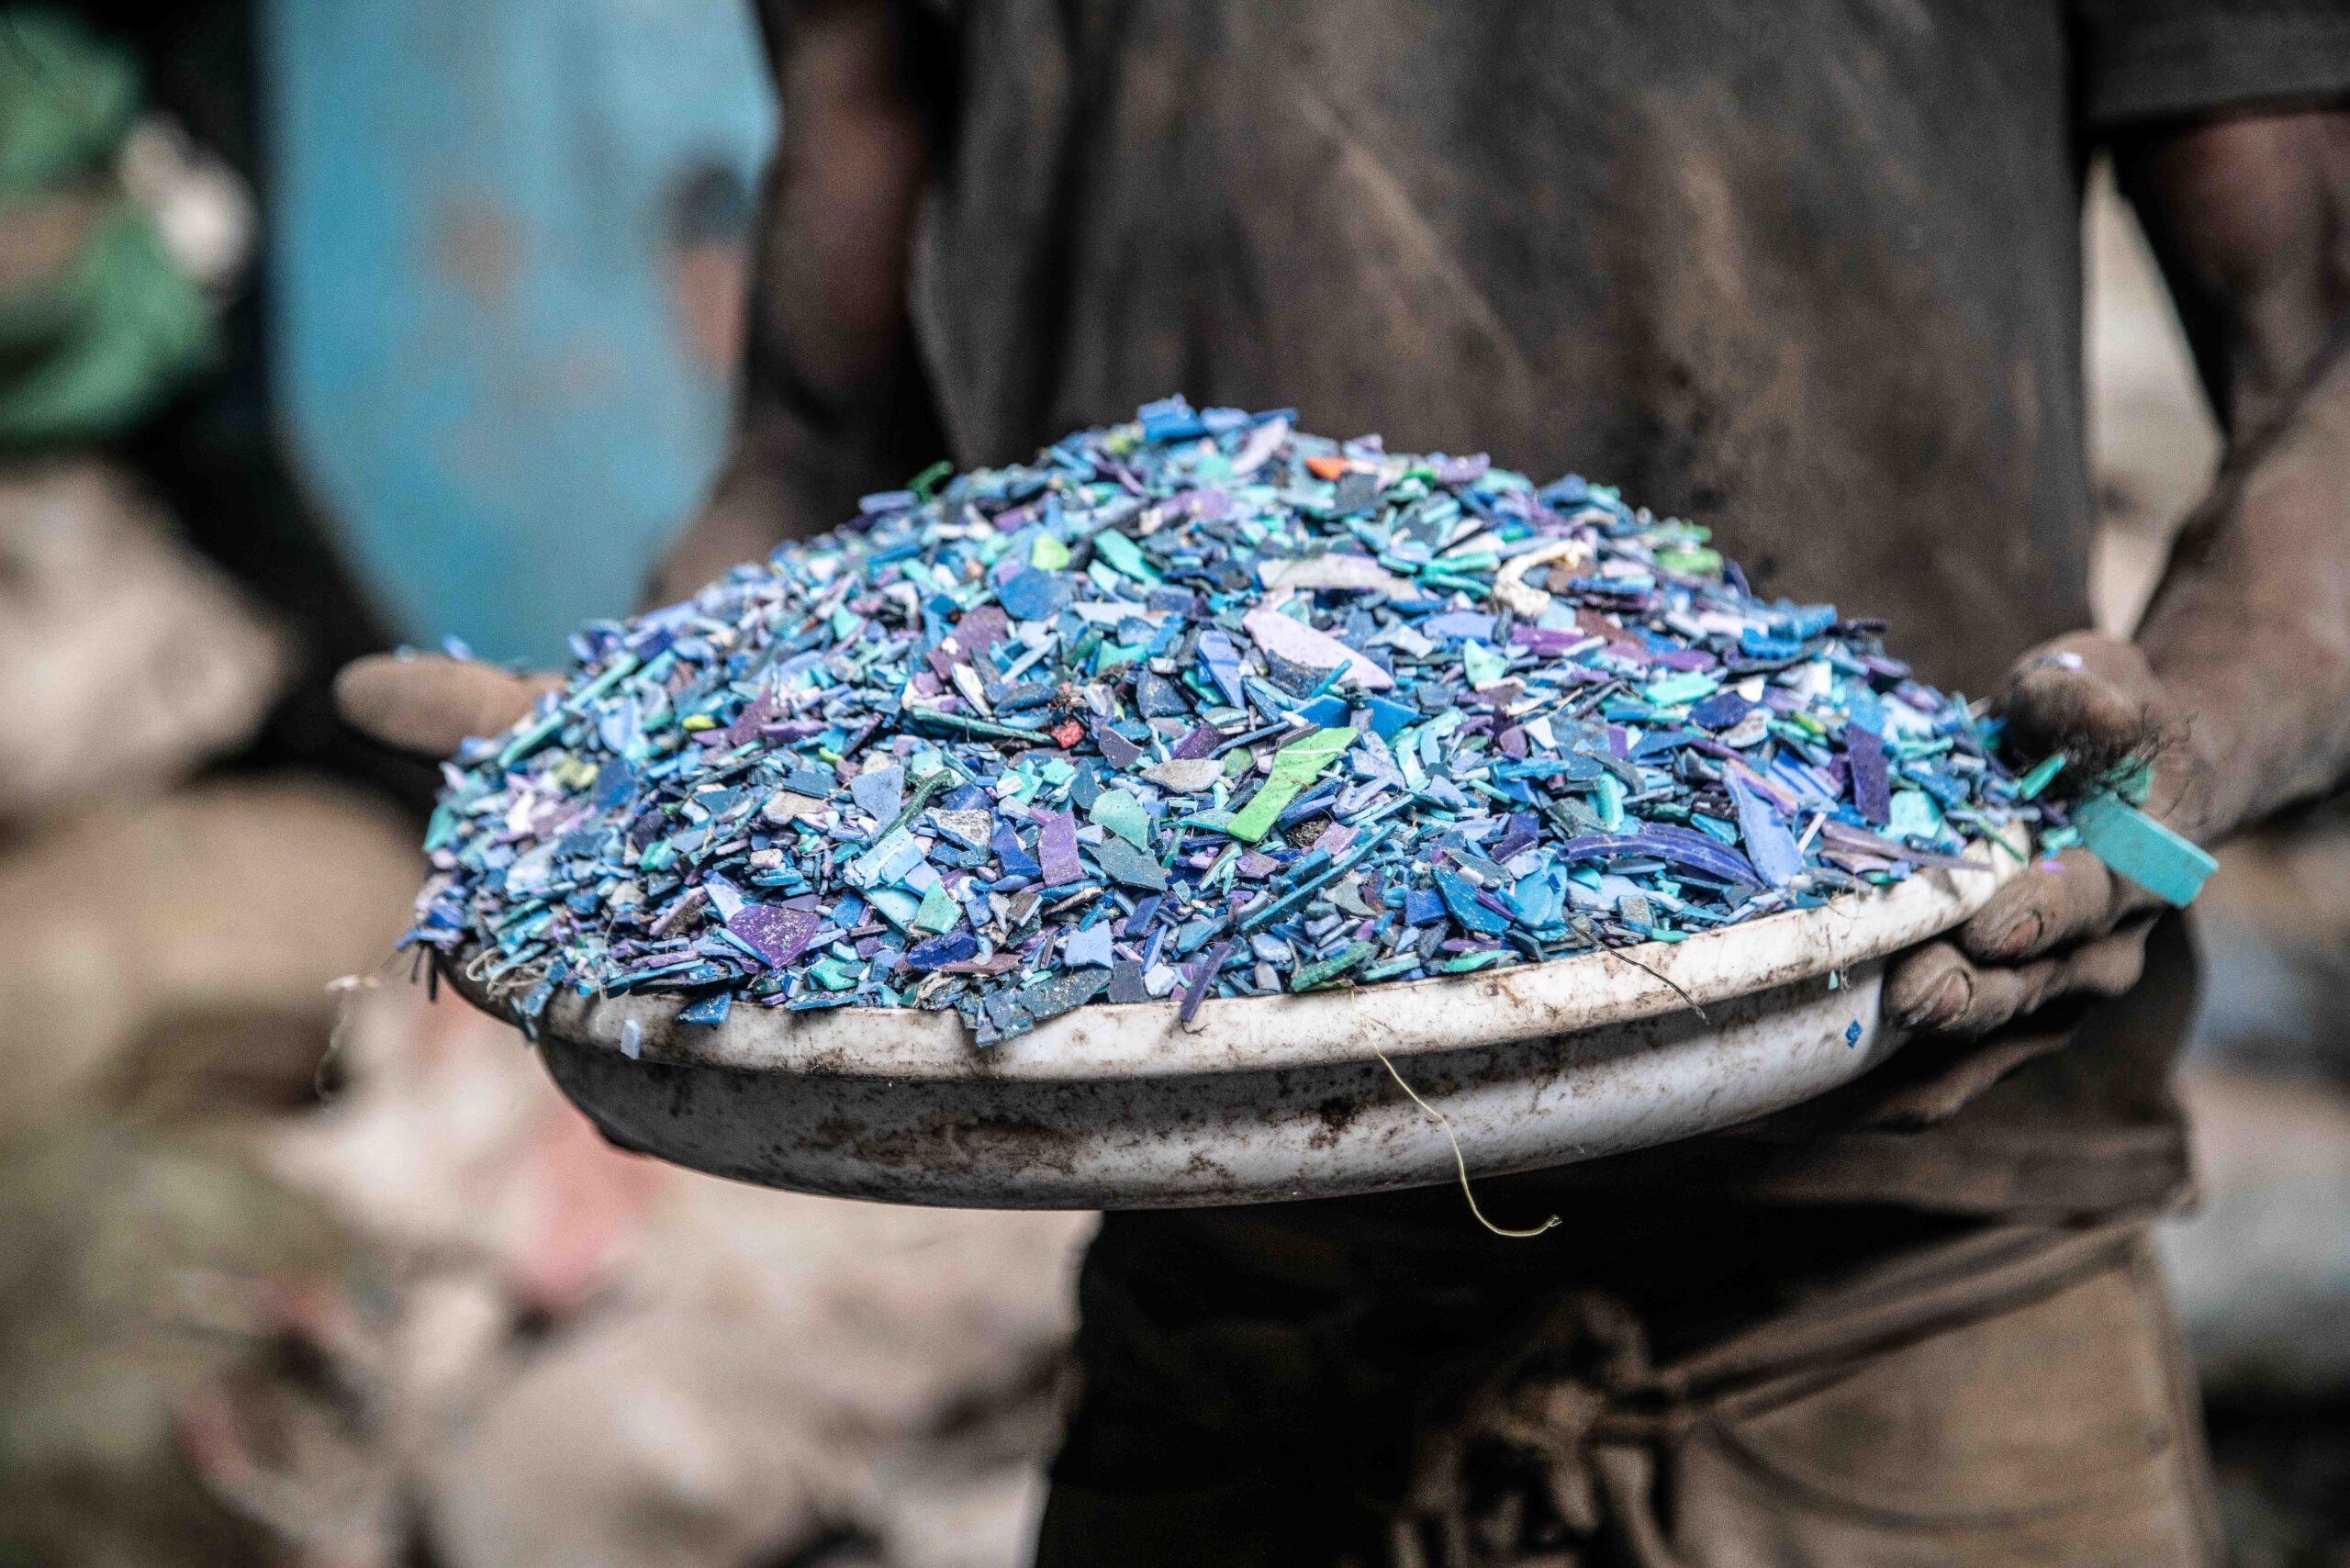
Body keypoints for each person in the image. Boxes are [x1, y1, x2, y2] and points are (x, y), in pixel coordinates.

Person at [341, 2, 2350, 1562]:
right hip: (1245, 1309)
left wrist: (2176, 765)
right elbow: (806, 435)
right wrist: (660, 736)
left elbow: (2322, 367)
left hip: (1913, 1311)